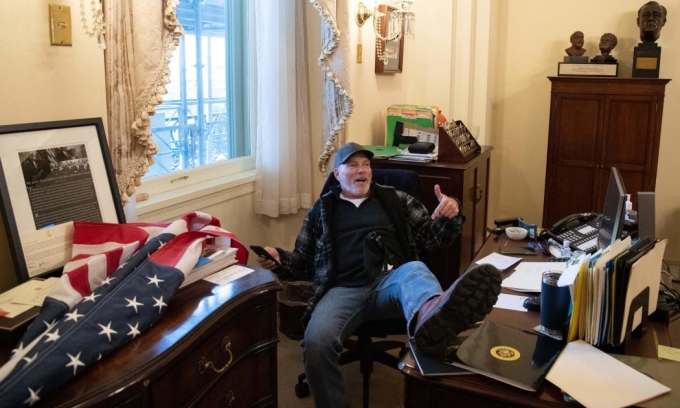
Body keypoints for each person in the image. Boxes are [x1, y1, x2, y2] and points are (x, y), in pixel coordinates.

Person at [255, 142, 502, 408]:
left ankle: (432, 318)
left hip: (392, 282)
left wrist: (450, 214)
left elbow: (434, 239)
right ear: (337, 174)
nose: (362, 170)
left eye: (366, 164)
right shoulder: (321, 211)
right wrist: (279, 260)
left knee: (416, 270)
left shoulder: (395, 199)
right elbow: (303, 263)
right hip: (342, 290)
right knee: (316, 344)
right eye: (352, 165)